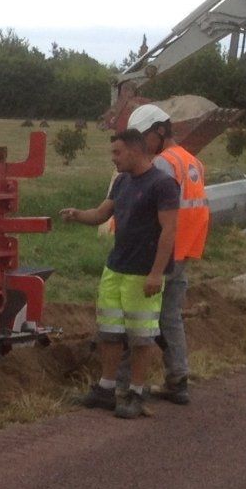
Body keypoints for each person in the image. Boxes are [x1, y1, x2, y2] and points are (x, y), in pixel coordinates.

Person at [59, 128, 179, 419]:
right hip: (116, 269)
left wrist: (156, 273)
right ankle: (106, 389)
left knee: (141, 336)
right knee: (109, 332)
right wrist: (77, 215)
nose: (113, 158)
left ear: (135, 151)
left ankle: (138, 393)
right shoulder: (122, 182)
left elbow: (169, 231)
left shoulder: (163, 185)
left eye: (117, 152)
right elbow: (102, 214)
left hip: (143, 274)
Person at [120, 104, 208, 402]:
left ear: (159, 131)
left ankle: (124, 381)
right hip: (184, 250)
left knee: (139, 315)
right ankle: (178, 379)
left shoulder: (163, 164)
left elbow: (155, 214)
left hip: (163, 253)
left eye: (144, 137)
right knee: (170, 316)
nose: (141, 145)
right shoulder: (191, 161)